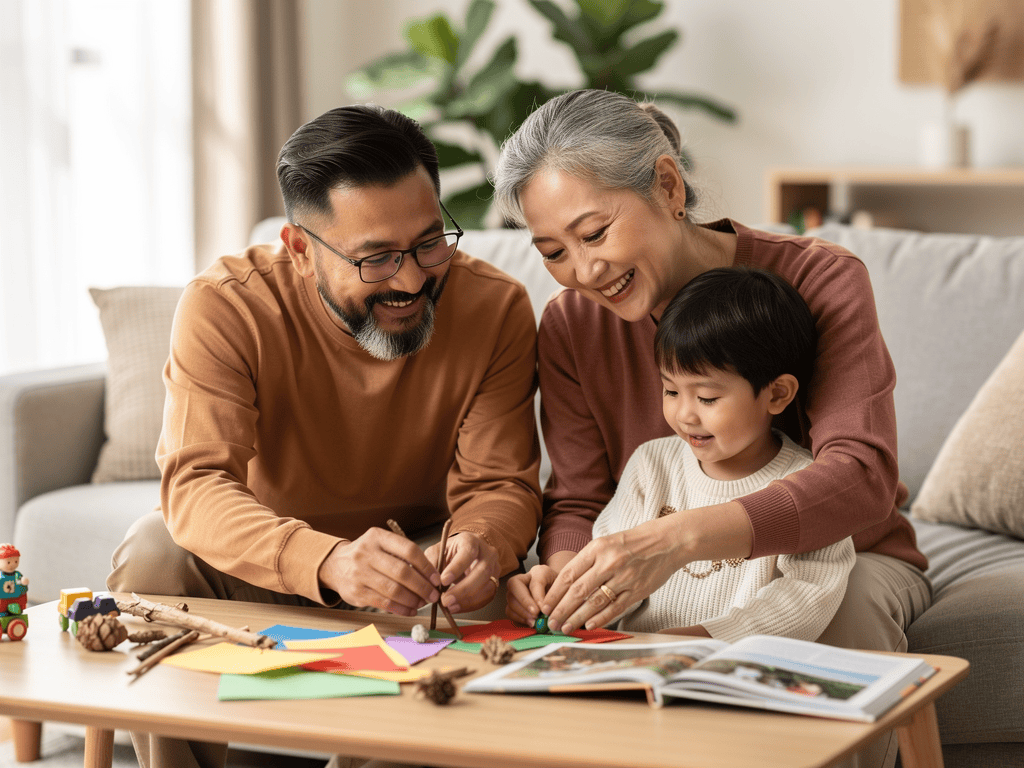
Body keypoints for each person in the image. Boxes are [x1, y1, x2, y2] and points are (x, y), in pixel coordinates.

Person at [493, 89, 930, 768]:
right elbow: (580, 498)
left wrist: (678, 540)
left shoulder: (820, 280)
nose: (583, 271)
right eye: (553, 250)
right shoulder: (572, 323)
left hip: (845, 554)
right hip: (663, 571)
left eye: (595, 233)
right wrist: (563, 572)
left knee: (841, 615)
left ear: (667, 185)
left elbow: (862, 480)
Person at [107, 104, 542, 768]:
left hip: (417, 570)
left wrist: (481, 542)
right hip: (268, 554)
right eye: (377, 258)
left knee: (499, 594)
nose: (412, 278)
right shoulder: (227, 305)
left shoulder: (496, 307)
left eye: (430, 241)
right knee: (154, 551)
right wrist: (327, 561)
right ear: (301, 248)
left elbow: (500, 486)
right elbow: (196, 487)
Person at [509, 267, 855, 641]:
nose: (684, 415)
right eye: (671, 391)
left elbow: (805, 598)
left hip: (732, 665)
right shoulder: (652, 465)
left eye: (707, 397)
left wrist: (708, 638)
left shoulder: (807, 488)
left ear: (776, 394)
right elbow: (606, 561)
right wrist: (561, 590)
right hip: (630, 658)